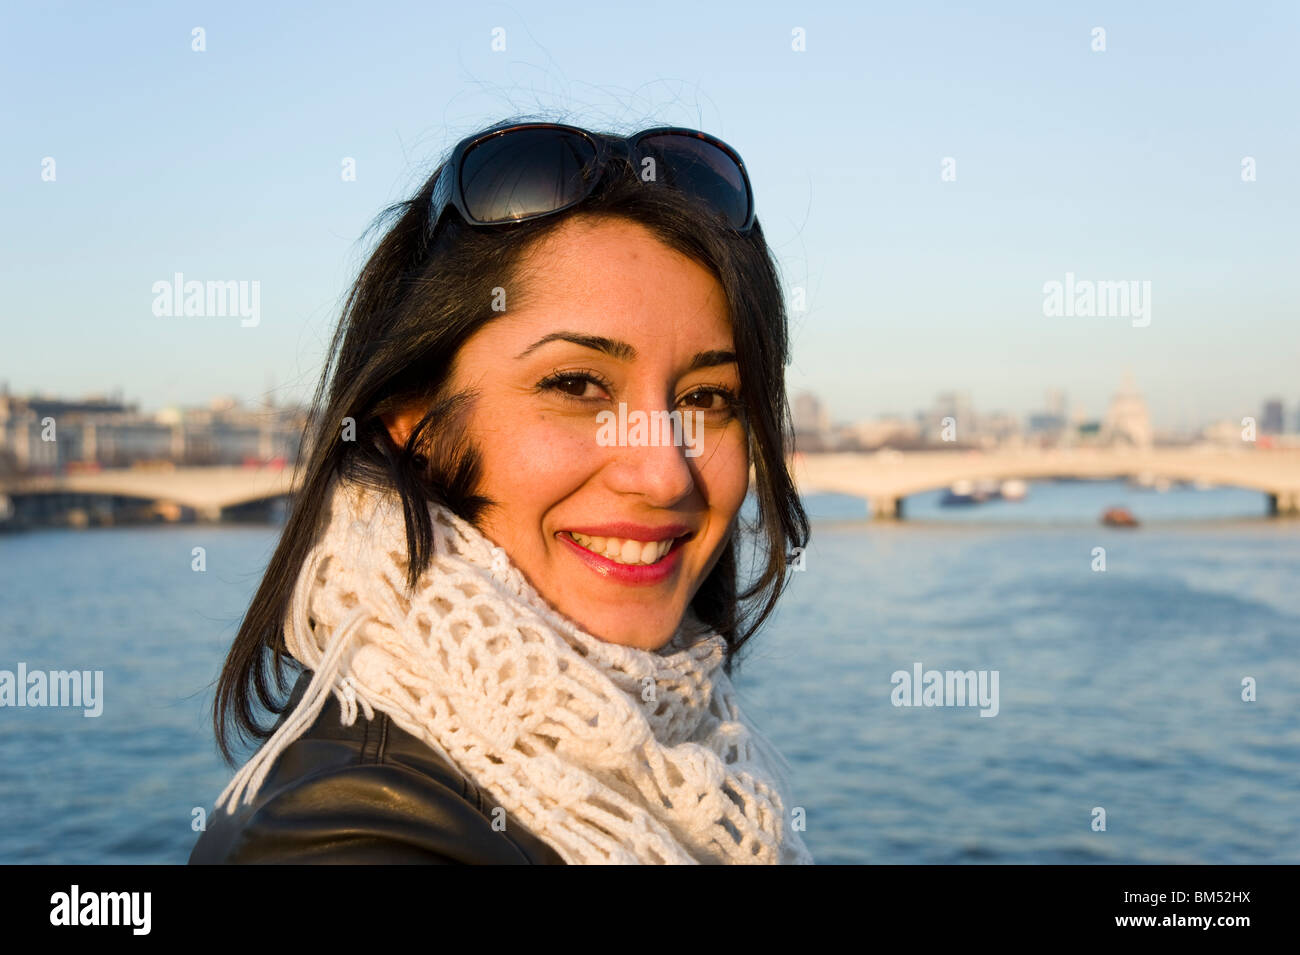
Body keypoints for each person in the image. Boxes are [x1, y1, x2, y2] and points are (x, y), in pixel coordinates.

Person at [189, 118, 813, 865]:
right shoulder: (350, 839)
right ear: (412, 421)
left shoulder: (685, 755)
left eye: (710, 399)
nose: (662, 472)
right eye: (578, 386)